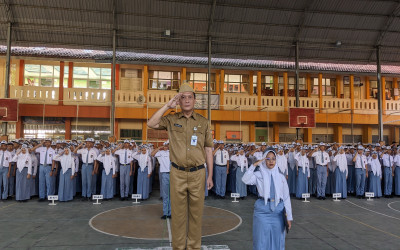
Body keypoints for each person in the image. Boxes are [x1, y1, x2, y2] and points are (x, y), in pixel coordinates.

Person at [147, 83, 213, 250]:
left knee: (196, 214)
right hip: (177, 172)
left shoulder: (204, 122)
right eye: (182, 97)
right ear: (179, 100)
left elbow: (208, 149)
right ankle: (178, 247)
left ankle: (193, 247)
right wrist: (167, 106)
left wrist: (210, 175)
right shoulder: (171, 119)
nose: (186, 100)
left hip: (198, 173)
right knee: (178, 214)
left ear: (195, 100)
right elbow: (151, 123)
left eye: (190, 97)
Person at [242, 148, 293, 250]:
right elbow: (245, 179)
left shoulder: (281, 177)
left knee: (278, 240)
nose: (271, 161)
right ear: (264, 160)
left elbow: (286, 198)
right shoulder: (259, 174)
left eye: (273, 159)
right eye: (268, 159)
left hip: (278, 212)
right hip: (263, 210)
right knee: (260, 240)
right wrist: (254, 165)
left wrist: (289, 217)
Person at [152, 142, 171, 219]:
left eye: (167, 145)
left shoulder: (173, 152)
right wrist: (160, 147)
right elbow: (152, 154)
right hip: (164, 174)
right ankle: (165, 213)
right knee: (166, 195)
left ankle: (171, 212)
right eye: (165, 145)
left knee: (172, 195)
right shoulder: (161, 153)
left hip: (173, 175)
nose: (166, 147)